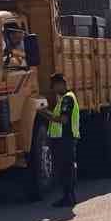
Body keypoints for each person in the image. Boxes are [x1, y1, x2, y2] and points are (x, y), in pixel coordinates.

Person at [42, 72, 80, 208]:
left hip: (65, 139)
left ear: (60, 84)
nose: (53, 89)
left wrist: (44, 113)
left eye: (54, 86)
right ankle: (69, 197)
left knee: (65, 170)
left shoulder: (67, 99)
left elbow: (63, 120)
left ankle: (67, 198)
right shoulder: (65, 98)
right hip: (64, 139)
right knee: (66, 169)